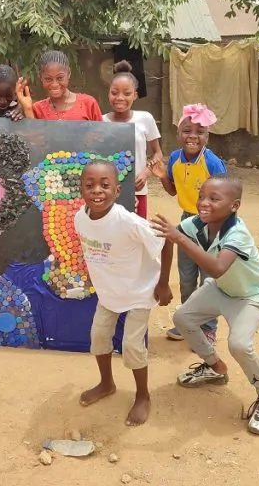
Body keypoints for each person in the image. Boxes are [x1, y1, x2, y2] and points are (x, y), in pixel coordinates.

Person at [150, 175, 259, 435]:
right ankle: (214, 367)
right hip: (221, 289)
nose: (204, 203)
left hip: (250, 296)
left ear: (234, 206)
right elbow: (168, 238)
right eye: (202, 196)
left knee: (239, 345)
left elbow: (218, 268)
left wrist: (180, 239)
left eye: (214, 198)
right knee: (183, 318)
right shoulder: (196, 224)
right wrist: (163, 282)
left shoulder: (237, 233)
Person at [75, 160, 174, 426]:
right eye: (89, 185)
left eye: (105, 185)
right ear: (81, 190)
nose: (97, 190)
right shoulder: (80, 218)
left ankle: (142, 395)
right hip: (109, 292)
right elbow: (92, 249)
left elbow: (166, 242)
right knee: (98, 337)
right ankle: (106, 383)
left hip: (139, 291)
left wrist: (163, 284)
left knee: (132, 345)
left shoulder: (129, 222)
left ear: (117, 191)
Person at [150, 104, 226, 342]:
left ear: (207, 137)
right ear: (178, 133)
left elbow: (225, 198)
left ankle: (208, 328)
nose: (193, 136)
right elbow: (173, 191)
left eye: (200, 132)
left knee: (208, 278)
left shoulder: (212, 163)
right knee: (186, 276)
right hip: (187, 222)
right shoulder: (175, 158)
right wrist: (163, 177)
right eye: (187, 130)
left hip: (211, 224)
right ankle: (188, 323)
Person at [103, 60, 162, 219]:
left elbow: (158, 153)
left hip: (137, 190)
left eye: (127, 93)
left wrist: (147, 172)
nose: (120, 98)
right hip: (107, 193)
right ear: (108, 93)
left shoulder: (145, 119)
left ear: (135, 95)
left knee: (136, 230)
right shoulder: (100, 122)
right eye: (114, 92)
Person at [16, 50, 103, 121]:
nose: (54, 84)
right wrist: (27, 109)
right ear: (41, 77)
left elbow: (101, 135)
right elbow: (34, 136)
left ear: (69, 74)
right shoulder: (37, 109)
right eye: (48, 79)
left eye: (60, 78)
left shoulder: (88, 104)